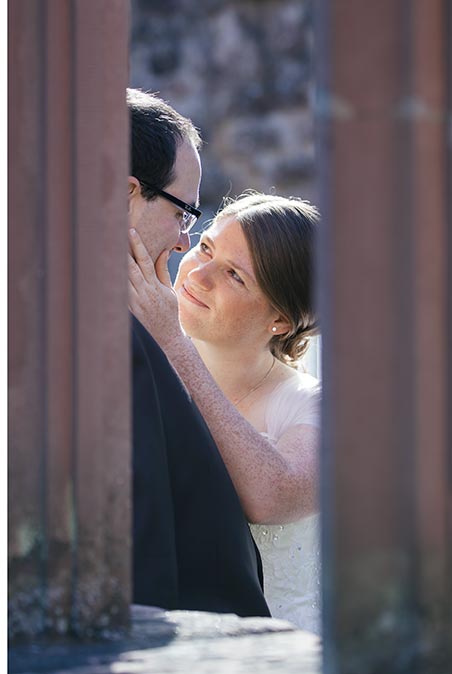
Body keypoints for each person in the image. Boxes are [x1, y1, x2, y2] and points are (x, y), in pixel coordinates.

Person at [129, 191, 321, 632]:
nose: (198, 273)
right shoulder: (141, 361)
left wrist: (173, 344)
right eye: (206, 247)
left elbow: (275, 495)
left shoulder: (317, 404)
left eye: (234, 275)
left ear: (280, 320)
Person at [126, 89, 270, 617]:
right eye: (186, 214)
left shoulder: (147, 326)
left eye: (236, 274)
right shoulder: (112, 331)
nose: (185, 244)